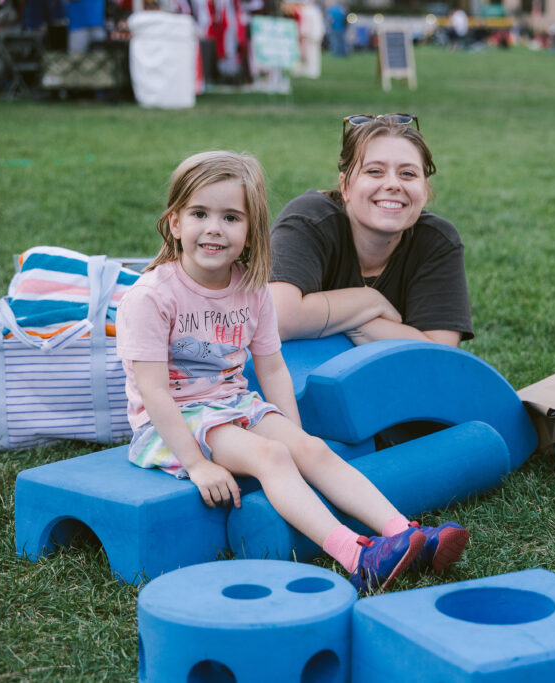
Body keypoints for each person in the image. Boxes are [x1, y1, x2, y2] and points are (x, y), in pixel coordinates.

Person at [116, 151, 469, 594]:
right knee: (273, 458)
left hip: (234, 405)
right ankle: (359, 557)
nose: (213, 228)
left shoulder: (251, 290)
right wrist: (196, 464)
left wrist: (295, 435)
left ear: (249, 233)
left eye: (230, 218)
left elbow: (273, 367)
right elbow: (153, 392)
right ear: (174, 223)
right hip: (172, 420)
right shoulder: (151, 297)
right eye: (199, 214)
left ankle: (404, 533)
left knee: (312, 449)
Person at [269, 114, 473, 347]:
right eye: (375, 171)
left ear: (424, 189)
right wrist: (368, 301)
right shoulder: (309, 220)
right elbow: (279, 319)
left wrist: (355, 322)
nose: (393, 184)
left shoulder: (437, 241)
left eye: (408, 174)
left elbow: (439, 355)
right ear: (345, 186)